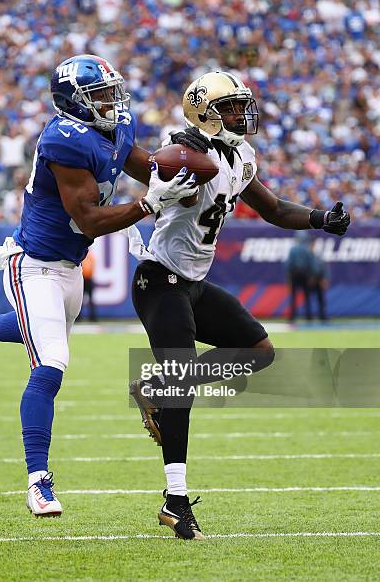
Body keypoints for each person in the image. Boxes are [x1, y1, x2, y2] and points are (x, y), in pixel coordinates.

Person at [0, 54, 197, 518]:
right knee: (51, 362)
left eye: (110, 92)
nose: (110, 102)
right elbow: (90, 218)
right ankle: (38, 481)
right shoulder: (63, 140)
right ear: (73, 102)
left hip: (70, 266)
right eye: (98, 95)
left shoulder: (112, 129)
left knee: (37, 329)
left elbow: (143, 165)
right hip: (32, 262)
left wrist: (182, 170)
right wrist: (148, 207)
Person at [128, 70, 351, 540]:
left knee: (259, 350)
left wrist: (319, 219)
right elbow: (159, 164)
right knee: (182, 387)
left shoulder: (239, 155)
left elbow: (271, 208)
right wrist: (178, 152)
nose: (239, 113)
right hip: (159, 281)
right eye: (229, 106)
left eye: (239, 104)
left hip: (192, 284)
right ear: (204, 111)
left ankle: (153, 389)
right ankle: (175, 501)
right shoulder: (189, 151)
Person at [286, 231, 316, 322]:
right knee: (306, 296)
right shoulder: (306, 249)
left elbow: (289, 264)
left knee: (294, 297)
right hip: (304, 274)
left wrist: (289, 277)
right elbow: (311, 263)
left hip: (295, 274)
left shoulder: (293, 249)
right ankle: (308, 317)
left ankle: (293, 317)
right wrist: (311, 276)